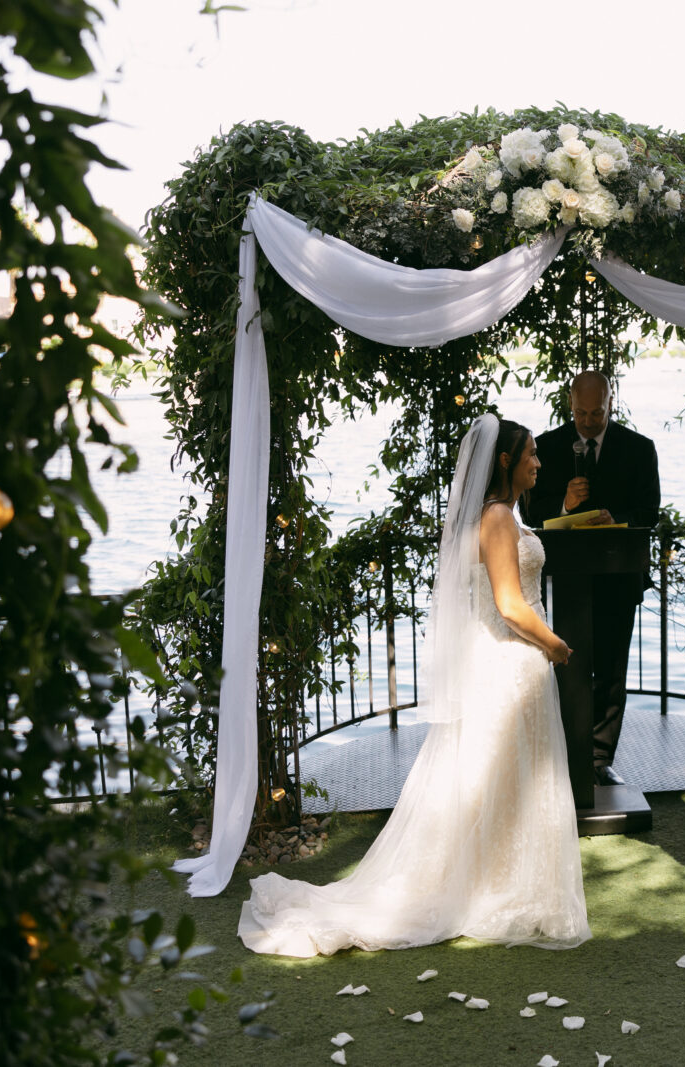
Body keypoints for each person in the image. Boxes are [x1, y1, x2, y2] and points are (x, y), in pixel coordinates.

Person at [237, 415, 590, 957]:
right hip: (511, 657)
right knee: (506, 775)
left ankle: (506, 883)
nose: (539, 463)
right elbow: (511, 604)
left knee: (507, 778)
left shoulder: (503, 515)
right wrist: (557, 645)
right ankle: (496, 888)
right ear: (505, 462)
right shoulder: (496, 517)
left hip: (510, 661)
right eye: (531, 455)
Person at [525, 370, 661, 786]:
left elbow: (649, 511)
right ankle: (567, 752)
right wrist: (565, 504)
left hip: (619, 580)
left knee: (612, 669)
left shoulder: (639, 449)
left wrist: (614, 519)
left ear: (610, 404)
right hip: (566, 582)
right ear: (571, 405)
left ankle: (601, 758)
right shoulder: (546, 447)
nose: (587, 421)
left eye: (596, 413)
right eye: (580, 413)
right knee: (568, 664)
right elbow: (531, 515)